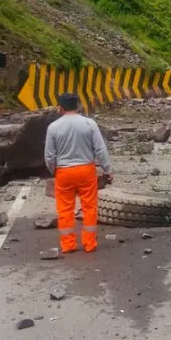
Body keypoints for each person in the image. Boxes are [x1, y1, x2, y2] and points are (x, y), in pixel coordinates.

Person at [44, 93, 112, 254]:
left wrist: (53, 170)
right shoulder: (89, 124)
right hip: (86, 170)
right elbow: (100, 149)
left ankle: (68, 245)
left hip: (64, 172)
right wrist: (108, 169)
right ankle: (89, 244)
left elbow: (49, 155)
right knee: (89, 207)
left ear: (60, 107)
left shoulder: (53, 127)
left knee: (65, 209)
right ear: (77, 106)